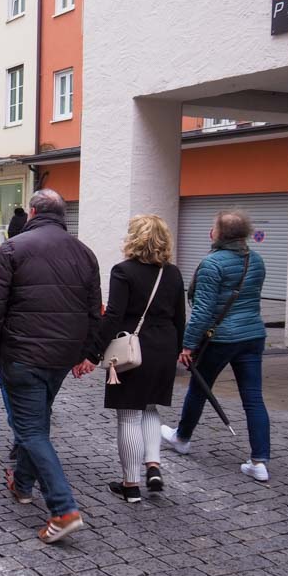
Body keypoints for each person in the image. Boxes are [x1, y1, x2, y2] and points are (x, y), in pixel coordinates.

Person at [0, 189, 101, 543]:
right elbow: (95, 310)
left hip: (22, 353)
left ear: (32, 211)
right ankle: (21, 484)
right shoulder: (85, 253)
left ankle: (63, 508)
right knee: (37, 420)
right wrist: (87, 352)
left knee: (32, 429)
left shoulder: (14, 247)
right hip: (61, 356)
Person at [161, 210, 270, 481]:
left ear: (219, 233)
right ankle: (259, 461)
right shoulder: (256, 260)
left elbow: (202, 310)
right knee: (254, 398)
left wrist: (187, 345)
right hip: (252, 335)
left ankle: (182, 438)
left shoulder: (212, 264)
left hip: (221, 338)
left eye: (213, 227)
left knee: (199, 388)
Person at [85, 215, 186, 503]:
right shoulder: (174, 273)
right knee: (151, 408)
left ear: (134, 238)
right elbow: (180, 317)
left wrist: (93, 353)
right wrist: (180, 350)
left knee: (129, 415)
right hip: (165, 347)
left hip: (133, 350)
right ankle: (153, 466)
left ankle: (130, 484)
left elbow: (114, 315)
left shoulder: (123, 271)